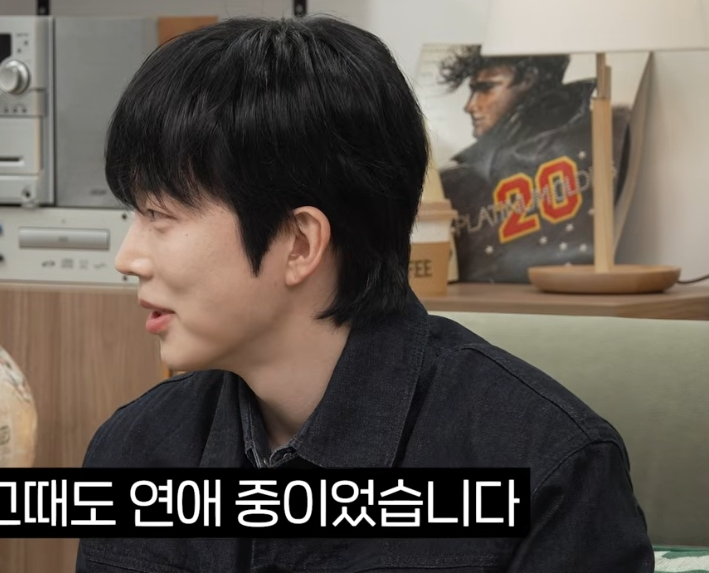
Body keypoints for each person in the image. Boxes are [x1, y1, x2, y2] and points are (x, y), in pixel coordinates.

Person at [76, 15, 654, 572]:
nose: (127, 259)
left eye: (159, 215)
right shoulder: (134, 448)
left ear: (299, 243)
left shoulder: (550, 471)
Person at [436, 45, 631, 283]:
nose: (470, 106)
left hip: (574, 284)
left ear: (528, 79)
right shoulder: (457, 179)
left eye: (486, 88)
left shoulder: (601, 133)